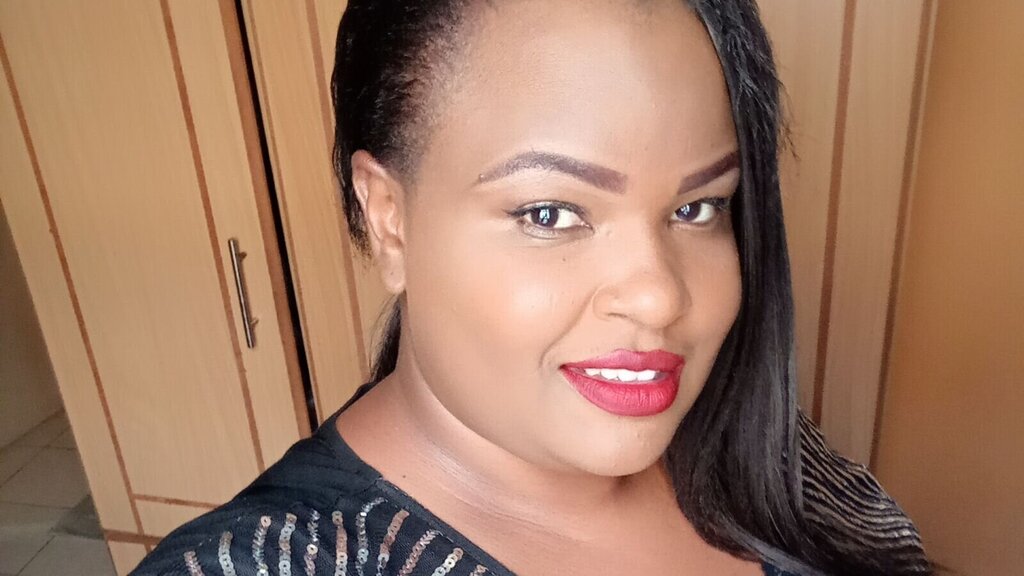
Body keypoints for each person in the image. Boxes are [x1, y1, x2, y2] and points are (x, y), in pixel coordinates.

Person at [133, 1, 930, 574]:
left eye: (698, 208)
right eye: (550, 213)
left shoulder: (761, 446)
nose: (659, 298)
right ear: (389, 219)